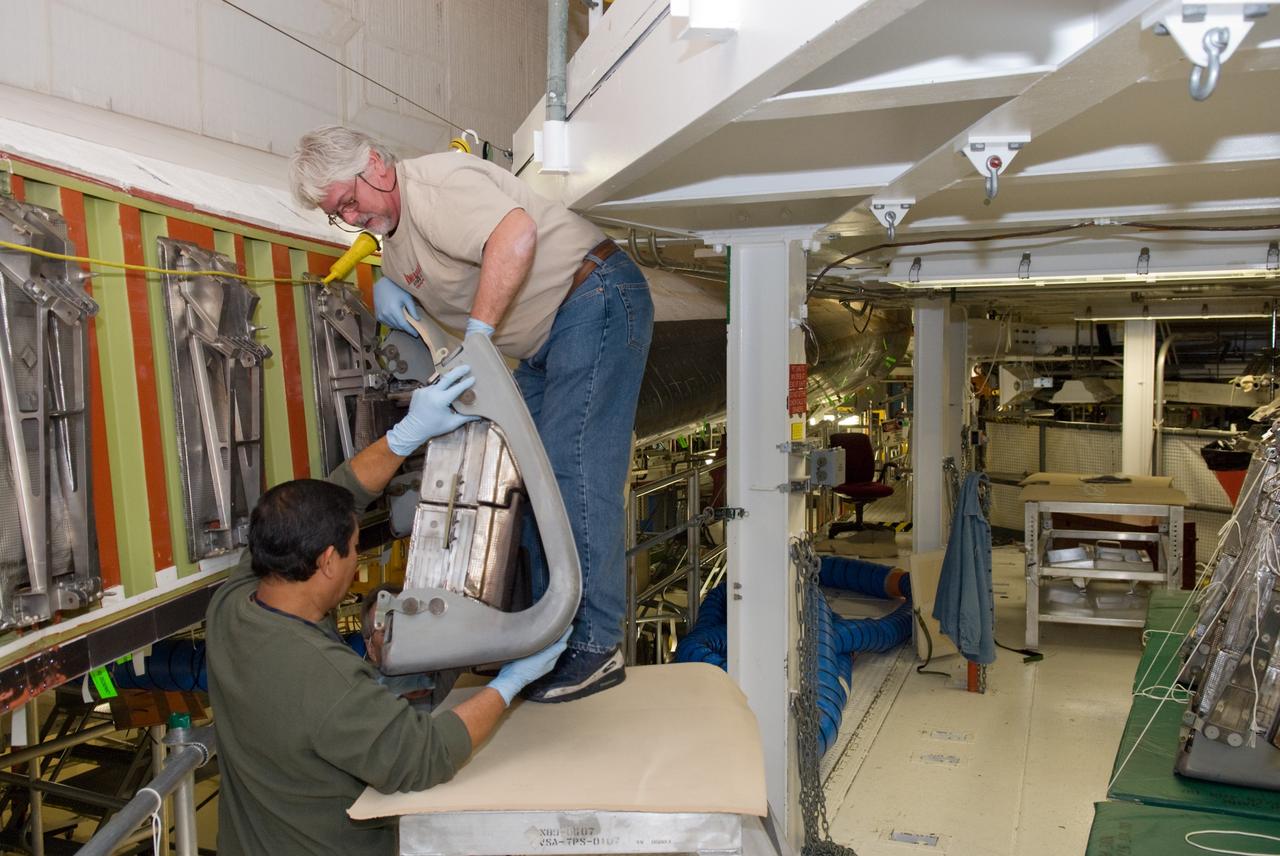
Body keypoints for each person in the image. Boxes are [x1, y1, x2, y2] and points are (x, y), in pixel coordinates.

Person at [288, 126, 653, 703]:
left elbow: (515, 234)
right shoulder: (395, 230)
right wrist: (388, 283)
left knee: (571, 469)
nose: (352, 217)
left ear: (377, 165)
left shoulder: (437, 184)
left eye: (351, 201)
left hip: (592, 296)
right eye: (339, 214)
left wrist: (479, 335)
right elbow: (432, 269)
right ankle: (542, 632)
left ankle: (595, 646)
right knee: (528, 480)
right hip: (543, 340)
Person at [205, 366, 570, 854]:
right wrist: (511, 682)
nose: (360, 561)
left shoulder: (233, 606)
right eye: (355, 549)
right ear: (328, 561)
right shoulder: (326, 680)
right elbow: (426, 756)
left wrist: (405, 436)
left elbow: (332, 497)